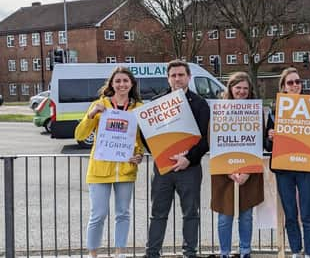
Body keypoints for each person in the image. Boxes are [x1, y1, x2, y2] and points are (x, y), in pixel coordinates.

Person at [74, 66, 145, 258]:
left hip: (126, 169)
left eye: (125, 81)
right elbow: (80, 135)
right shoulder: (99, 104)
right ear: (112, 84)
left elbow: (140, 140)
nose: (122, 84)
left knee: (123, 213)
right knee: (98, 215)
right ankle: (93, 254)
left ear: (132, 84)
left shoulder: (139, 107)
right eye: (118, 81)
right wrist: (91, 115)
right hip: (99, 170)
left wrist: (139, 154)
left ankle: (120, 252)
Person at [144, 60, 211, 258]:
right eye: (173, 75)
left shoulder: (200, 104)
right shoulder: (156, 103)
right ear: (168, 78)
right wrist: (159, 153)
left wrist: (188, 159)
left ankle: (189, 252)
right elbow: (146, 136)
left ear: (188, 77)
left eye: (181, 75)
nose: (177, 79)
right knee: (158, 213)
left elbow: (205, 140)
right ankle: (152, 253)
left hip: (189, 168)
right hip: (163, 169)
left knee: (190, 213)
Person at [265, 67, 310, 258]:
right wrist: (270, 137)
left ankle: (309, 253)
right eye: (290, 82)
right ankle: (295, 250)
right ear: (283, 87)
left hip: (307, 168)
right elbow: (268, 145)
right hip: (284, 168)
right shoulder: (275, 111)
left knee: (308, 214)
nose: (295, 85)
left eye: (298, 82)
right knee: (290, 214)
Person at [211, 72, 264, 258]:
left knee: (246, 216)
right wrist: (229, 172)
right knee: (225, 216)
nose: (241, 91)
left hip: (249, 171)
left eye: (245, 88)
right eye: (238, 88)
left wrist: (247, 171)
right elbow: (215, 142)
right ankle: (224, 252)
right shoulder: (219, 111)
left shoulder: (256, 112)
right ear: (230, 89)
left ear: (250, 91)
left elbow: (259, 142)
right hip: (224, 172)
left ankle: (245, 251)